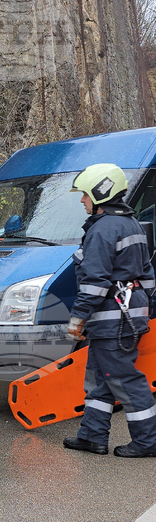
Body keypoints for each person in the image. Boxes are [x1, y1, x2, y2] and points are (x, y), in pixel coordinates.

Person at [63, 163, 156, 458]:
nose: (81, 201)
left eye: (84, 195)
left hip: (112, 318)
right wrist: (146, 306)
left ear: (100, 193)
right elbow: (148, 274)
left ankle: (147, 441)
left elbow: (94, 281)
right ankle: (92, 436)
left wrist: (78, 317)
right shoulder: (133, 225)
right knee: (99, 378)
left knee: (124, 379)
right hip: (127, 314)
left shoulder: (103, 229)